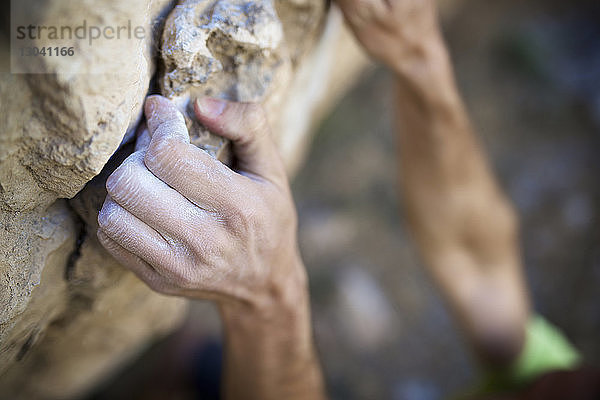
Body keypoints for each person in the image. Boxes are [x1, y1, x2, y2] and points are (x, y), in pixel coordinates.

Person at [97, 0, 585, 398]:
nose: (566, 386)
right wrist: (420, 58)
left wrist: (269, 296)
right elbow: (480, 262)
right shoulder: (554, 381)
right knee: (190, 357)